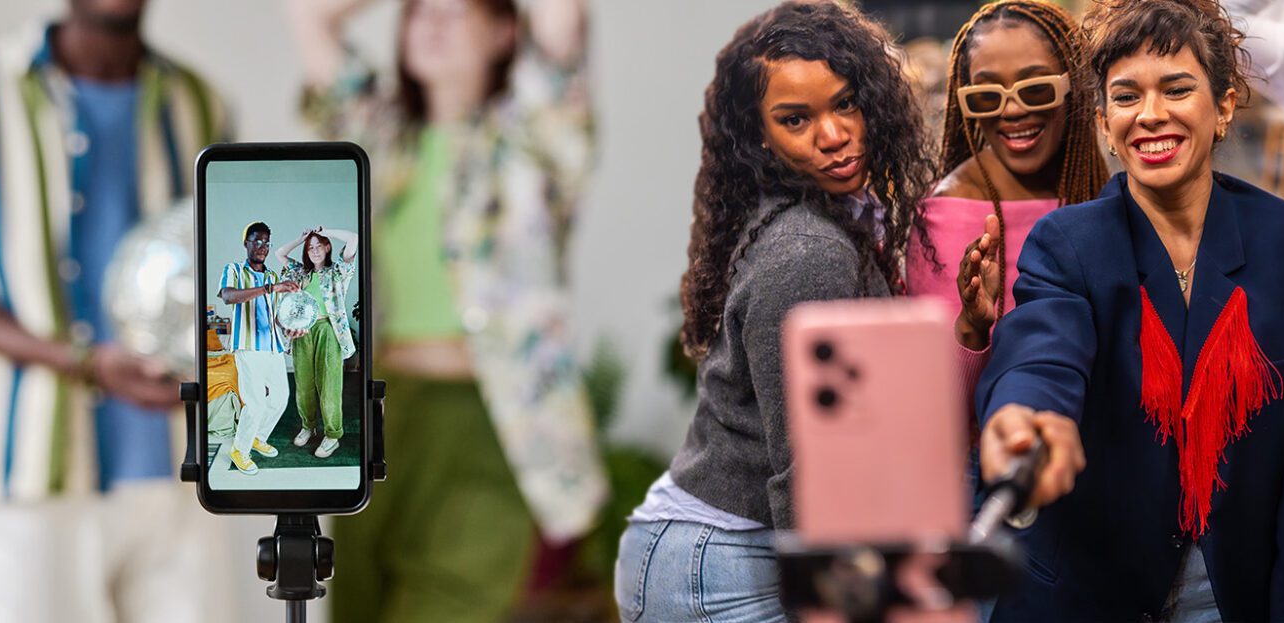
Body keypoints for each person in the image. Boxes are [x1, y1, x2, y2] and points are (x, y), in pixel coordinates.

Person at [971, 0, 1284, 620]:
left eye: (1177, 89)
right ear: (1102, 119)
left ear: (1225, 106)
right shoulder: (1068, 243)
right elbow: (1042, 349)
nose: (1151, 116)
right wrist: (1025, 415)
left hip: (1235, 598)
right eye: (1126, 97)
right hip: (1086, 597)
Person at [0, 0, 238, 620]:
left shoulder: (198, 101)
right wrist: (80, 362)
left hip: (180, 468)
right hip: (27, 475)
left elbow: (227, 267)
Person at [614, 2, 939, 621]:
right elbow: (809, 467)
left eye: (846, 103)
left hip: (719, 550)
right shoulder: (808, 253)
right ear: (760, 135)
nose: (833, 134)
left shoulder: (827, 218)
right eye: (797, 119)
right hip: (719, 567)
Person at [286, 0, 605, 618]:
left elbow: (563, 19)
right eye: (418, 11)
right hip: (373, 417)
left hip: (489, 423)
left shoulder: (533, 139)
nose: (430, 23)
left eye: (453, 10)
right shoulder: (377, 143)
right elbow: (307, 15)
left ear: (504, 30)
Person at [915, 0, 1107, 359]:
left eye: (1036, 89)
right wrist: (972, 327)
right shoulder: (944, 218)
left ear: (1074, 88)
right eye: (986, 96)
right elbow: (935, 396)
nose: (1012, 110)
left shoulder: (1098, 193)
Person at [216, 221, 301, 475]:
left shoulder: (273, 276)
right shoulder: (233, 269)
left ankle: (257, 436)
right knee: (255, 403)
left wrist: (289, 328)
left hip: (273, 346)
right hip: (248, 346)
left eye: (266, 242)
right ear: (246, 243)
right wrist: (269, 289)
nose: (262, 247)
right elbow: (228, 296)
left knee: (279, 399)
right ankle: (239, 451)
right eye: (257, 241)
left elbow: (274, 313)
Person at [273, 227, 359, 460]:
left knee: (329, 384)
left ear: (327, 246)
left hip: (328, 330)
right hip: (302, 332)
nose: (314, 250)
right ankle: (308, 426)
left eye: (318, 245)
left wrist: (324, 231)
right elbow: (280, 253)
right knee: (303, 386)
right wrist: (302, 238)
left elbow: (354, 239)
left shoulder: (338, 271)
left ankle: (332, 435)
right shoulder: (300, 273)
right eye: (310, 248)